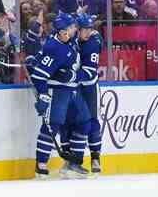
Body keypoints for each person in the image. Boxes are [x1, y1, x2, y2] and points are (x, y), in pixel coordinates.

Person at [27, 12, 91, 179]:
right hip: (58, 92)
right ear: (63, 31)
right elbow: (39, 76)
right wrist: (43, 95)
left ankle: (73, 164)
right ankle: (41, 166)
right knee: (52, 126)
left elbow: (40, 61)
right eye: (71, 28)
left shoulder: (69, 42)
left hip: (73, 91)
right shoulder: (54, 47)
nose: (75, 29)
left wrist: (71, 75)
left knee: (84, 122)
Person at [58, 13, 102, 176]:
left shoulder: (93, 43)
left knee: (91, 121)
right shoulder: (71, 39)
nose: (88, 32)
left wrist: (71, 77)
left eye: (90, 29)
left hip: (88, 88)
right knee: (67, 123)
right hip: (74, 88)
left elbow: (90, 72)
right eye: (85, 29)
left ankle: (95, 157)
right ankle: (70, 160)